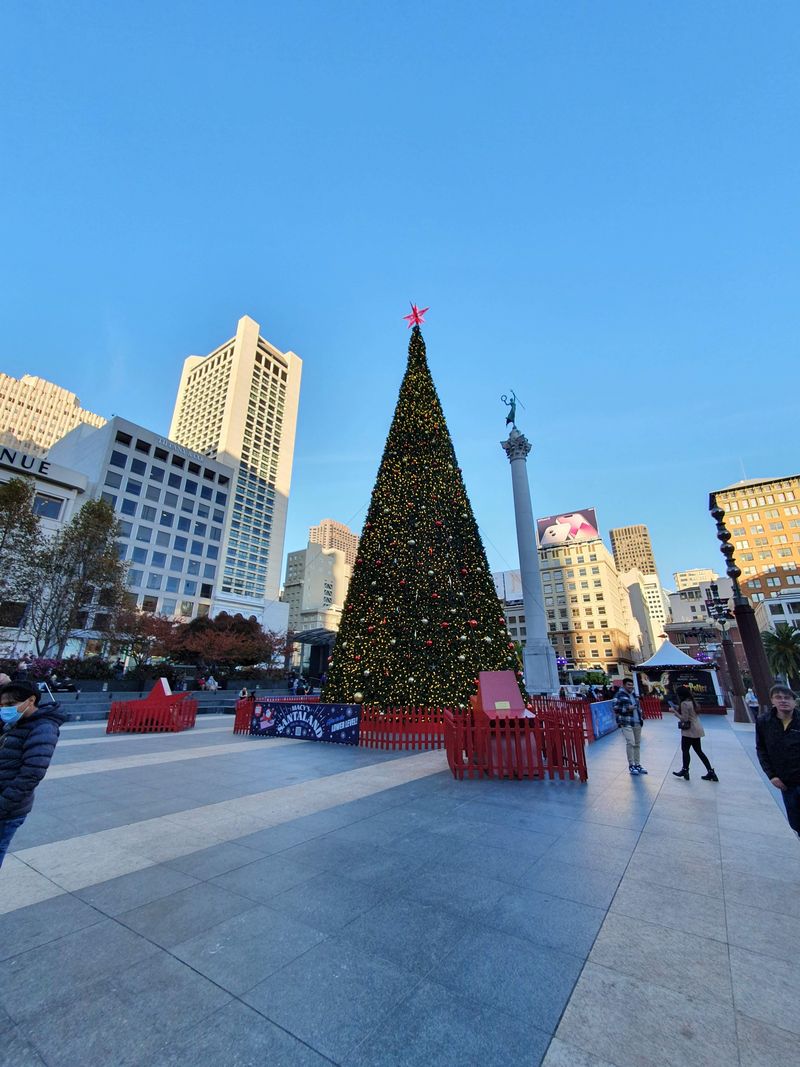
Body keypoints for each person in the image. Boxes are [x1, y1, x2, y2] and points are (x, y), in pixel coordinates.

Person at [0, 682, 66, 867]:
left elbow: (32, 774)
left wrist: (2, 806)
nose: (5, 709)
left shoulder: (43, 728)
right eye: (2, 705)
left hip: (8, 809)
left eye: (10, 704)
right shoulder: (15, 723)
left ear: (31, 700)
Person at [755, 684, 800, 837]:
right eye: (778, 697)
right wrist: (772, 775)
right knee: (796, 822)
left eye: (787, 698)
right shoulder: (764, 722)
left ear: (795, 701)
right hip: (786, 782)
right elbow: (761, 749)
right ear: (772, 700)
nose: (783, 701)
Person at [671, 685, 718, 781]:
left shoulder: (684, 703)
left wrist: (674, 712)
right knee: (699, 751)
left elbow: (684, 719)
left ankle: (685, 770)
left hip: (689, 730)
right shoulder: (692, 702)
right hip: (697, 728)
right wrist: (677, 708)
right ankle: (710, 771)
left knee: (685, 750)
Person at [613, 677, 647, 775]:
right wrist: (627, 708)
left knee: (637, 744)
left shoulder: (634, 695)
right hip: (626, 722)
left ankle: (637, 764)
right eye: (629, 685)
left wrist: (641, 715)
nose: (631, 687)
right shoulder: (619, 695)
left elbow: (638, 707)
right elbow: (615, 708)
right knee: (631, 742)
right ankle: (631, 765)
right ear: (624, 685)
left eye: (632, 685)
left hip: (637, 722)